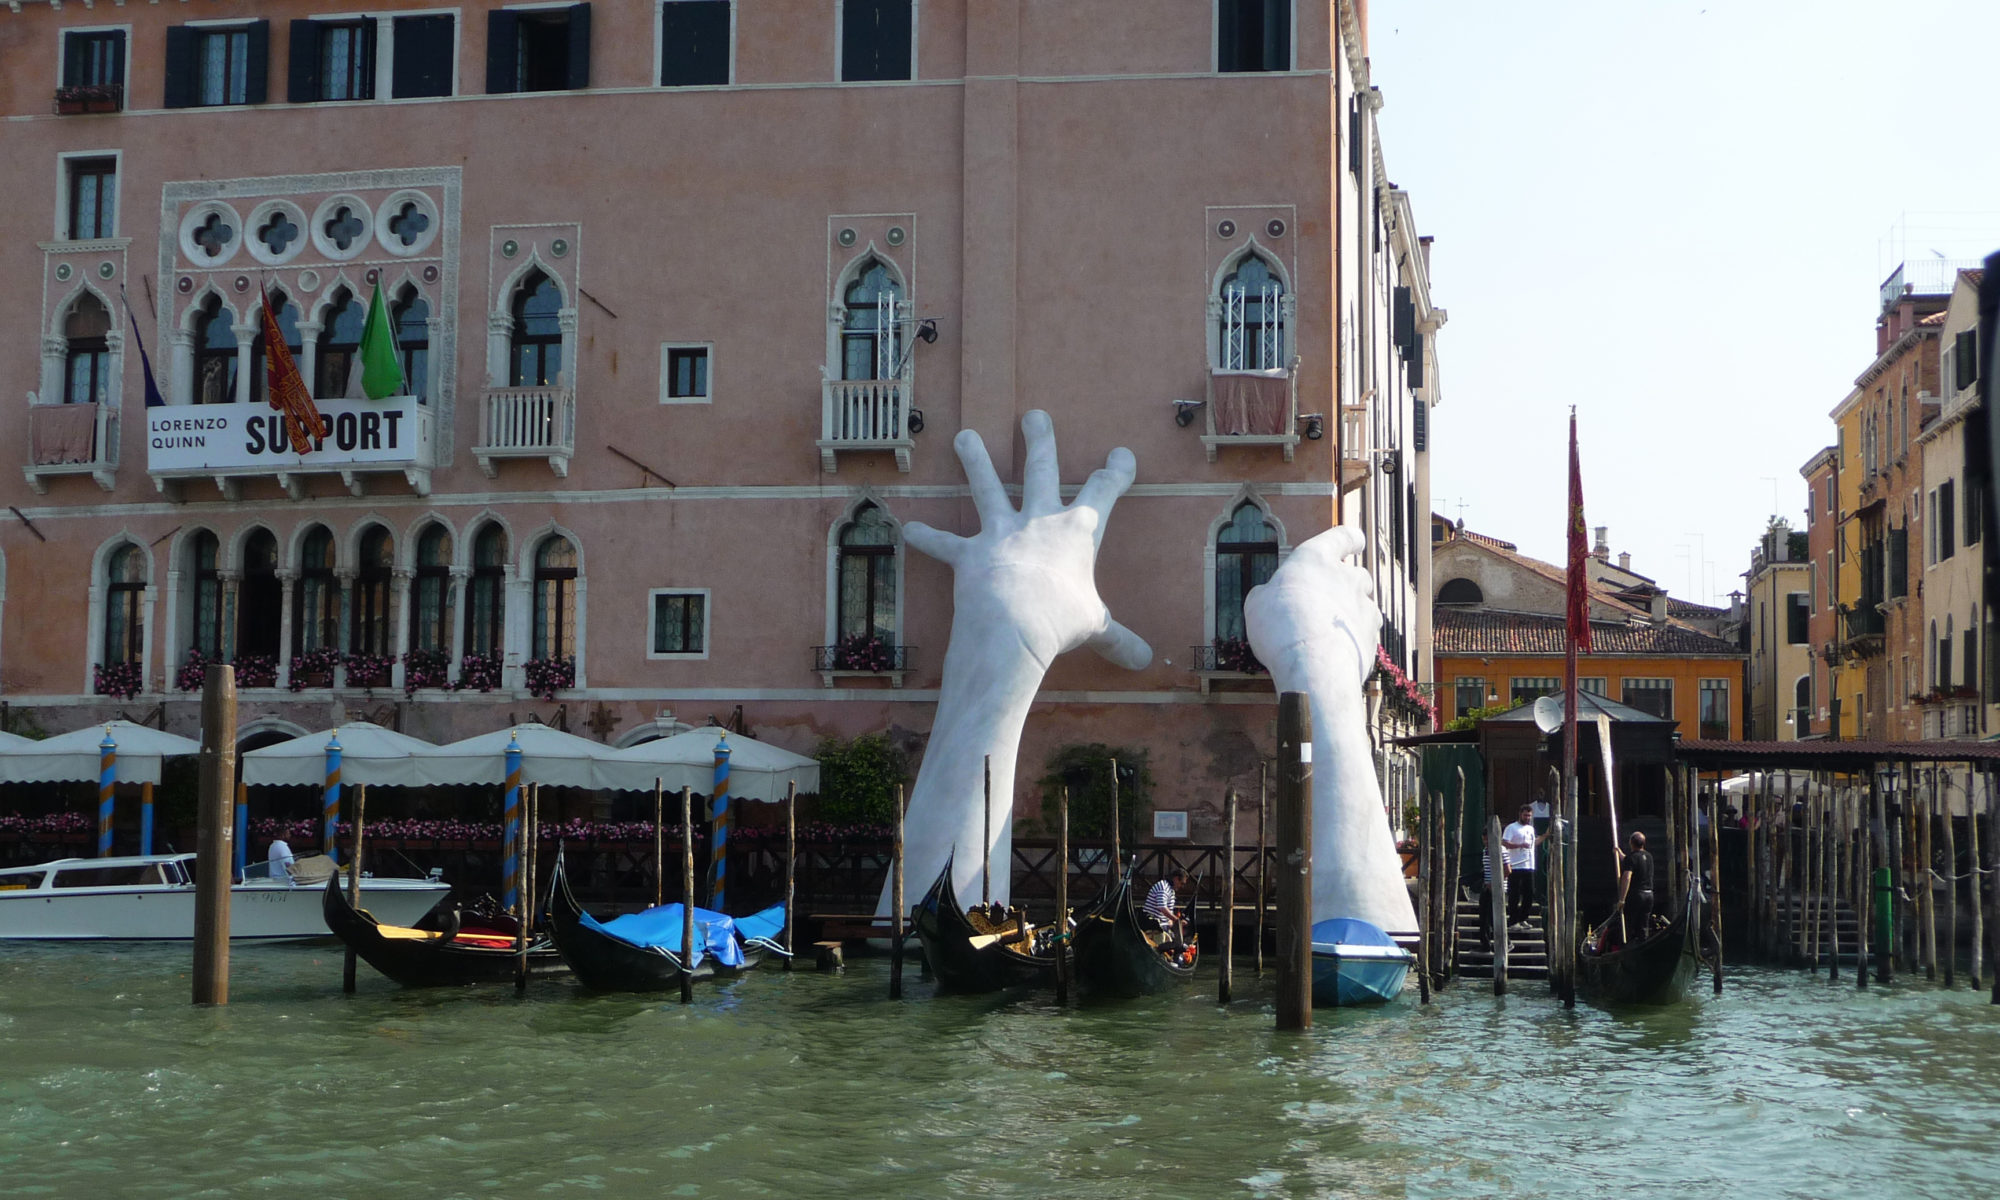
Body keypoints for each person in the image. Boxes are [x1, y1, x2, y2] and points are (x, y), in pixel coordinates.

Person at [1499, 805, 1550, 929]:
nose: (1527, 818)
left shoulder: (1531, 829)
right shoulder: (1512, 828)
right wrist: (1519, 845)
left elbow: (1534, 844)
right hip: (1516, 865)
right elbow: (1504, 842)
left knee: (1529, 894)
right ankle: (1513, 921)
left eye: (1529, 816)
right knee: (1514, 894)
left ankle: (1523, 918)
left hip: (1529, 865)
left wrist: (1545, 836)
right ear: (1520, 814)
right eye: (1525, 815)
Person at [1615, 831, 1655, 942]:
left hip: (1637, 896)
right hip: (1649, 895)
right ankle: (1642, 944)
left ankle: (1625, 948)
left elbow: (1627, 877)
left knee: (1628, 925)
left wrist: (1622, 899)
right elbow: (1629, 860)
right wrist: (1619, 853)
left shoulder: (1632, 858)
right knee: (1643, 926)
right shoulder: (1649, 856)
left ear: (1631, 843)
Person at [1145, 869, 1188, 943]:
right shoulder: (1163, 887)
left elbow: (1168, 916)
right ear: (1176, 879)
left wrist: (1174, 922)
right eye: (1182, 883)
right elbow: (1162, 907)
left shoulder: (1171, 891)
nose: (1182, 886)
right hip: (1153, 926)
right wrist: (1177, 920)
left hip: (1163, 926)